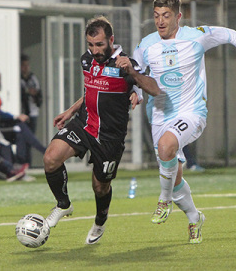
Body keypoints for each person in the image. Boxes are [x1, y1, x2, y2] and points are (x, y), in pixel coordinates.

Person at [132, 0, 236, 244]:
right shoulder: (146, 43)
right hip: (159, 115)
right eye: (156, 16)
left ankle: (162, 200)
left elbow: (232, 35)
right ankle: (194, 216)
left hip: (191, 112)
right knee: (174, 177)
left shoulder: (197, 36)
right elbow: (134, 71)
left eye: (166, 16)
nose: (160, 21)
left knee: (167, 148)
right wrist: (136, 94)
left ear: (179, 16)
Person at [43, 16, 160, 244]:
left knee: (100, 186)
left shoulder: (127, 64)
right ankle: (63, 205)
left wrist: (134, 79)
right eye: (90, 45)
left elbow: (154, 89)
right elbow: (91, 90)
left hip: (109, 136)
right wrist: (71, 110)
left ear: (111, 40)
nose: (94, 50)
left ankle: (99, 221)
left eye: (99, 45)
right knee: (50, 158)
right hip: (84, 124)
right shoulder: (86, 60)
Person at [0, 68, 46, 166]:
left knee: (20, 130)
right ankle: (42, 151)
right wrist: (16, 116)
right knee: (20, 128)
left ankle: (20, 162)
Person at [20, 54, 43, 133]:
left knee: (31, 134)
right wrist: (27, 91)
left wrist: (35, 94)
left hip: (32, 112)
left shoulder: (32, 78)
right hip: (22, 112)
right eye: (23, 65)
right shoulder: (18, 78)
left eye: (27, 65)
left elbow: (38, 92)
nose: (26, 68)